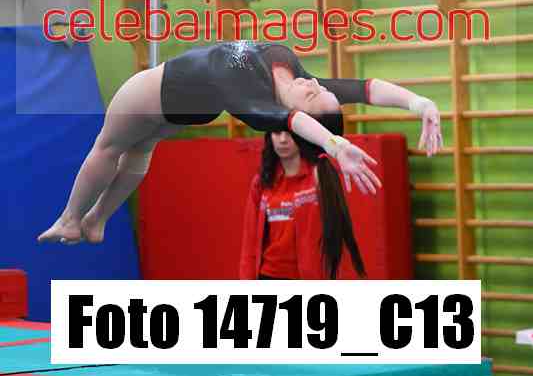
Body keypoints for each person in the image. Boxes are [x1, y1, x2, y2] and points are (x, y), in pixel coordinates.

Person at [37, 40, 442, 246]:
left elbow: (291, 120)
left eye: (314, 96)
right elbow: (365, 88)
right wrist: (419, 102)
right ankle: (97, 220)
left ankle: (72, 218)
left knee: (109, 147)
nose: (315, 85)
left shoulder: (256, 104)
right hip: (178, 106)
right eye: (320, 89)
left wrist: (335, 145)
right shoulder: (298, 75)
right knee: (139, 150)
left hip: (152, 94)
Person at [240, 130, 368, 280]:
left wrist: (339, 149)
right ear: (270, 137)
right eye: (277, 133)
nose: (283, 140)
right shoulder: (262, 181)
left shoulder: (319, 173)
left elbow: (337, 236)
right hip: (268, 274)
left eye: (289, 133)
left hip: (309, 276)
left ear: (302, 134)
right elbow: (249, 238)